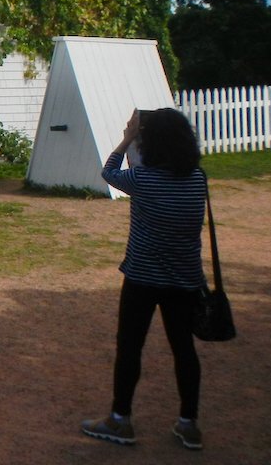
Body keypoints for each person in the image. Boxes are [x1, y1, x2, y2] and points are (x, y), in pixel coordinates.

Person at [81, 107, 208, 451]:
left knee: (130, 348)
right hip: (185, 281)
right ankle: (189, 424)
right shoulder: (198, 179)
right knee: (184, 350)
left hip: (142, 278)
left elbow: (109, 172)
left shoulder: (143, 180)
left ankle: (120, 419)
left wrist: (126, 139)